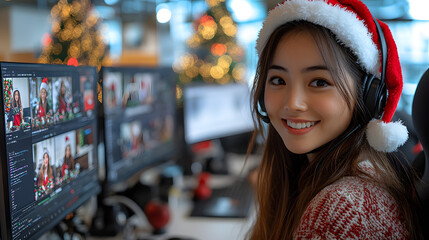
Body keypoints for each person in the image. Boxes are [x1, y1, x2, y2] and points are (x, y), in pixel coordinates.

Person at [247, 0, 423, 239]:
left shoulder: (340, 207)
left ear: (367, 95)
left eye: (319, 82)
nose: (292, 103)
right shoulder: (344, 179)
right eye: (278, 80)